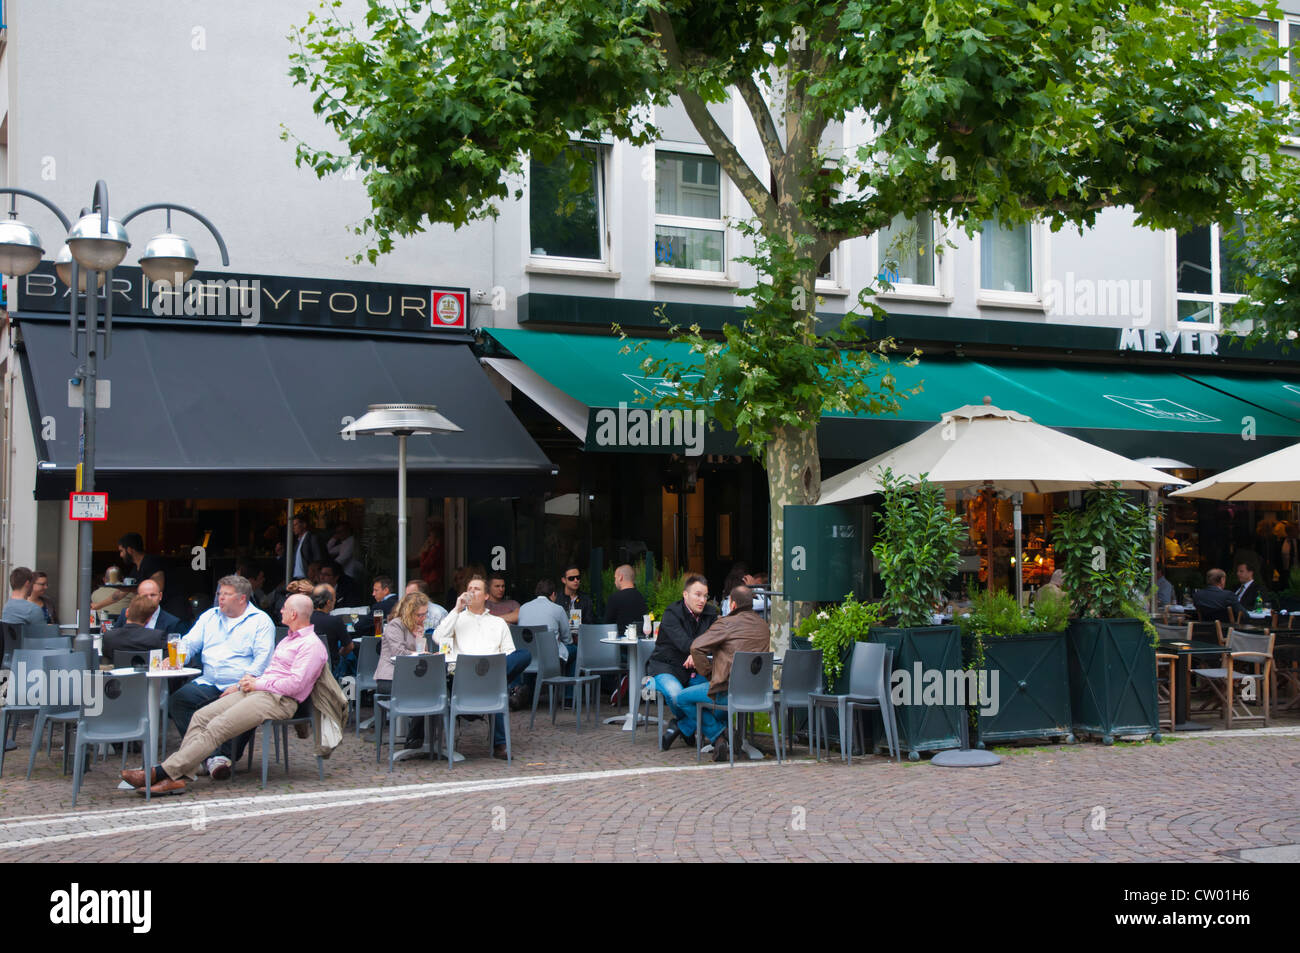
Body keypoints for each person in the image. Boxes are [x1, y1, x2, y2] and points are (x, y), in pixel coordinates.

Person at [120, 593, 326, 796]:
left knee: (217, 727)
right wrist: (241, 685)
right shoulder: (288, 640)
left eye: (284, 608)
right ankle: (177, 777)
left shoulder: (311, 646)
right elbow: (272, 672)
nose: (280, 610)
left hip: (279, 700)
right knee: (200, 716)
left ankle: (162, 772)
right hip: (258, 691)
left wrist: (258, 683)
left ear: (294, 614)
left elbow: (295, 685)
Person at [168, 575, 277, 779]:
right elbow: (190, 643)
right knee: (179, 701)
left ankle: (222, 755)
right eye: (220, 593)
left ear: (242, 598)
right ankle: (212, 758)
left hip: (242, 683)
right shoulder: (210, 616)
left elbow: (262, 661)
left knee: (245, 704)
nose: (221, 598)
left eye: (227, 594)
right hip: (209, 681)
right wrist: (175, 658)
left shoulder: (260, 621)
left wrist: (239, 685)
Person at [432, 576, 530, 759]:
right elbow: (438, 637)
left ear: (486, 596)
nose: (471, 591)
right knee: (498, 685)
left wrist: (494, 666)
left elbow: (509, 652)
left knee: (524, 655)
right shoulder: (456, 618)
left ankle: (496, 681)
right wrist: (456, 608)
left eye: (476, 589)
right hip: (464, 677)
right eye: (469, 588)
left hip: (491, 672)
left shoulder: (498, 622)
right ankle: (500, 744)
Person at [679, 586, 772, 762]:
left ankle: (720, 735)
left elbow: (696, 647)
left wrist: (708, 673)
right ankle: (725, 734)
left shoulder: (726, 624)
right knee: (709, 694)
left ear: (733, 604)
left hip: (728, 692)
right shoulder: (763, 626)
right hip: (756, 692)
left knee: (682, 698)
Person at [650, 574, 718, 751]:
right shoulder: (671, 613)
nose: (702, 600)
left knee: (714, 694)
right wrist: (698, 651)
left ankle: (682, 727)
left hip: (695, 670)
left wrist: (697, 653)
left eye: (705, 596)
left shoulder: (711, 614)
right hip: (667, 667)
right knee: (675, 694)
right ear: (685, 595)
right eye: (697, 594)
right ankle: (690, 727)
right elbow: (683, 643)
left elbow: (716, 640)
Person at [375, 591, 431, 750]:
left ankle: (420, 739)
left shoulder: (418, 626)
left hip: (411, 679)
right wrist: (419, 652)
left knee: (434, 691)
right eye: (419, 615)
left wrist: (420, 638)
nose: (423, 618)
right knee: (423, 692)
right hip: (389, 679)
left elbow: (423, 655)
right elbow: (398, 653)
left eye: (425, 614)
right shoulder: (396, 625)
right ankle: (415, 739)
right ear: (409, 612)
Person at [519, 579, 574, 664]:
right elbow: (568, 640)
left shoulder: (523, 608)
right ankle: (569, 677)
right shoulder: (558, 609)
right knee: (574, 649)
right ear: (553, 594)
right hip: (550, 657)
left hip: (528, 657)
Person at [101, 594, 170, 657]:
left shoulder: (109, 637)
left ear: (127, 613)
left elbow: (107, 659)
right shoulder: (157, 637)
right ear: (149, 619)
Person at [113, 578, 185, 634]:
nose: (149, 599)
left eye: (153, 595)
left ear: (160, 596)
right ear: (138, 597)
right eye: (145, 596)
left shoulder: (173, 623)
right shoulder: (125, 614)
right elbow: (115, 639)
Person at [311, 583, 350, 667]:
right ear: (328, 602)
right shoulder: (335, 621)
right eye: (334, 599)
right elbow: (349, 646)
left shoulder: (304, 619)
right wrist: (339, 654)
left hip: (306, 665)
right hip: (329, 668)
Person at [604, 564, 649, 636]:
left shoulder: (614, 598)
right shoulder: (641, 597)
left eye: (615, 578)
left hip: (619, 644)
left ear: (620, 577)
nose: (615, 581)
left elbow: (607, 625)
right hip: (638, 644)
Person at [291, 513, 326, 580]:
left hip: (308, 578)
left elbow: (318, 559)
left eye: (295, 525)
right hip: (296, 578)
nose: (293, 528)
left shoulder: (312, 538)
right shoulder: (297, 542)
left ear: (304, 525)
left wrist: (313, 577)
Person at [559, 564, 595, 629]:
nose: (576, 580)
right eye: (571, 578)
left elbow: (590, 622)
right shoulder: (558, 599)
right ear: (564, 580)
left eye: (578, 577)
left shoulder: (585, 599)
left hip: (582, 636)